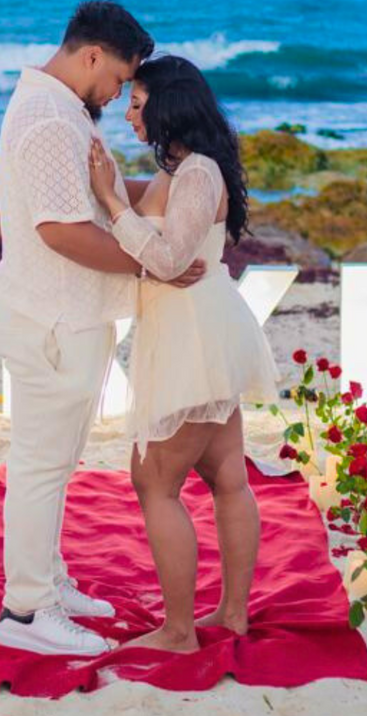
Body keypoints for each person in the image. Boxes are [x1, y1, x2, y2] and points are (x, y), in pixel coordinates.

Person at [0, 1, 208, 657]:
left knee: (52, 466)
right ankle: (26, 612)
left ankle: (47, 581)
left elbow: (87, 202)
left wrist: (184, 179)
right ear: (90, 56)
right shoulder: (53, 120)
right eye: (118, 77)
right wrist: (153, 269)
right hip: (55, 319)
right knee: (39, 467)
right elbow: (60, 231)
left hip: (63, 315)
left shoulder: (54, 107)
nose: (119, 94)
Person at [87, 54, 282, 653]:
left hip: (195, 331)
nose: (127, 113)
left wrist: (113, 204)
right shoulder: (182, 169)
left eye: (137, 103)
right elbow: (160, 235)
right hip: (201, 327)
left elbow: (169, 260)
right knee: (226, 474)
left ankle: (178, 631)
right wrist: (111, 184)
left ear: (169, 105)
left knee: (154, 482)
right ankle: (231, 615)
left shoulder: (198, 172)